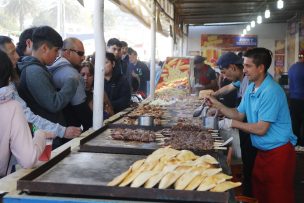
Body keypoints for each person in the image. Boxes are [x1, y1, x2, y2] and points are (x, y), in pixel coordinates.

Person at [206, 48, 297, 203]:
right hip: (262, 152)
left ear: (260, 68)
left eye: (248, 66)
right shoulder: (251, 88)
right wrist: (218, 106)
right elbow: (239, 114)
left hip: (279, 153)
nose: (244, 70)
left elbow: (261, 128)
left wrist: (231, 123)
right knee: (260, 194)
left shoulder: (271, 91)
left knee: (277, 197)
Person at [0, 35, 81, 140]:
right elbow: (29, 117)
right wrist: (61, 131)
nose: (16, 56)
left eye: (15, 51)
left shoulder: (11, 80)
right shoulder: (34, 72)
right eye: (11, 53)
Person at [17, 26, 79, 149]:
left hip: (48, 134)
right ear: (45, 48)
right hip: (45, 138)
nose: (57, 55)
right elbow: (54, 104)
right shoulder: (34, 71)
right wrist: (71, 83)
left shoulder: (37, 68)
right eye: (56, 51)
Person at [0, 50, 54, 178]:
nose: (17, 56)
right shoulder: (12, 107)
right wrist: (41, 135)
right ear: (8, 76)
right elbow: (28, 159)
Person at [212, 52, 256, 196]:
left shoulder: (250, 81)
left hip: (252, 130)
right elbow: (228, 88)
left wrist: (219, 106)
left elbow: (239, 114)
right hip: (245, 127)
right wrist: (214, 95)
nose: (223, 76)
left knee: (250, 168)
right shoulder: (242, 79)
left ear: (232, 67)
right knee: (247, 165)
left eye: (224, 72)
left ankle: (248, 194)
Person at [49, 37, 92, 131]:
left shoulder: (50, 67)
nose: (83, 57)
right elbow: (82, 111)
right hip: (68, 132)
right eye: (80, 53)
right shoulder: (72, 74)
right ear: (68, 52)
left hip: (52, 128)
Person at [288, 50, 304, 146]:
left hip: (293, 99)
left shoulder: (292, 68)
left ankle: (295, 144)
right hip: (302, 99)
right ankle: (302, 145)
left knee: (295, 122)